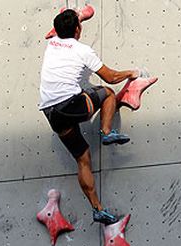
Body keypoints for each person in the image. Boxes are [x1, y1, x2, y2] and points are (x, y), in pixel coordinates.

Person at [38, 9, 138, 225]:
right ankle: (106, 132)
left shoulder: (52, 42)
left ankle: (97, 209)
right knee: (108, 94)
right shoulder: (82, 50)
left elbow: (64, 25)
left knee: (82, 159)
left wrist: (79, 17)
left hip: (51, 113)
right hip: (70, 105)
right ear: (77, 29)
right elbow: (110, 77)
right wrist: (130, 73)